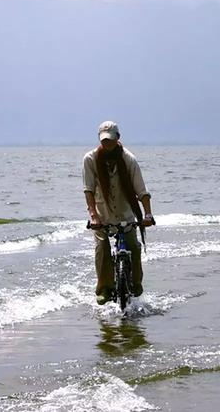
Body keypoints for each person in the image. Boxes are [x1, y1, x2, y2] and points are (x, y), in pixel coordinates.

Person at [82, 121, 154, 305]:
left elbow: (142, 190)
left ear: (118, 138)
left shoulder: (129, 159)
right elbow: (88, 190)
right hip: (102, 215)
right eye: (104, 141)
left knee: (134, 247)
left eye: (111, 140)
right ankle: (104, 288)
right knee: (102, 249)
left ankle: (136, 284)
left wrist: (147, 214)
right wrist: (93, 216)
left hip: (125, 214)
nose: (107, 144)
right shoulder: (90, 159)